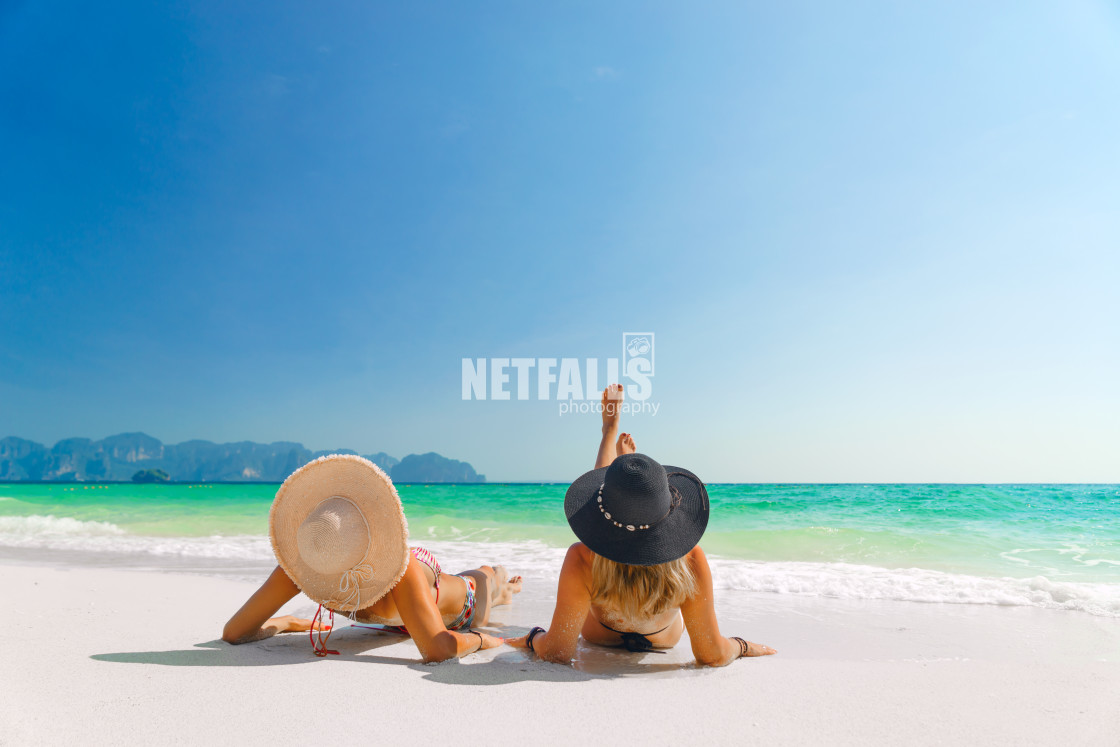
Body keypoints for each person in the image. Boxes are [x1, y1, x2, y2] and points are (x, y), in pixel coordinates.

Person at [509, 384, 776, 665]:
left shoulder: (581, 558)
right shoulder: (690, 558)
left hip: (599, 633)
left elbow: (556, 652)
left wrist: (532, 637)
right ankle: (626, 475)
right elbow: (713, 654)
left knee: (607, 500)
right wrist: (741, 645)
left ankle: (610, 439)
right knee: (619, 500)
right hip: (663, 637)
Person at [222, 454, 521, 663]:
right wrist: (283, 622)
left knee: (490, 584)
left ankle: (499, 580)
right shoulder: (308, 559)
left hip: (461, 602)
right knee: (469, 587)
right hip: (410, 609)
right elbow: (235, 633)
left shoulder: (399, 569)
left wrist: (483, 638)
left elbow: (438, 649)